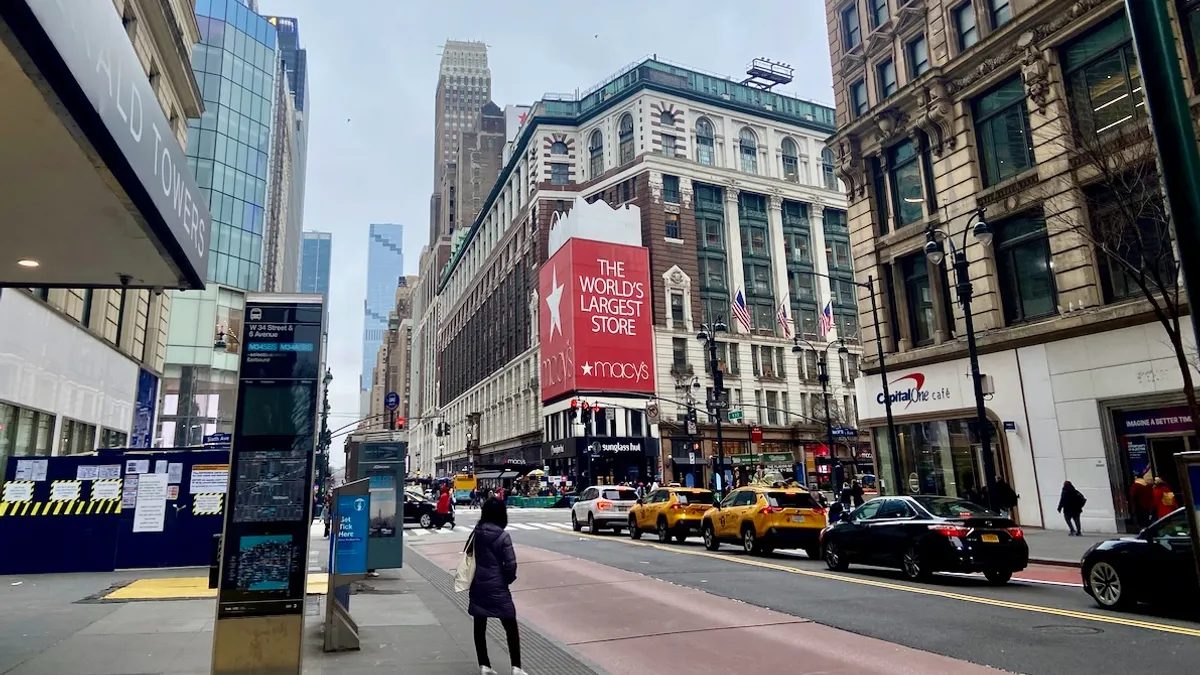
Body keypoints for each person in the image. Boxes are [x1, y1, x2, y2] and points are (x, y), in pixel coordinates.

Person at [469, 498, 527, 675]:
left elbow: (470, 556)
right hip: (498, 585)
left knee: (480, 623)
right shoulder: (502, 536)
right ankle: (516, 667)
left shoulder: (476, 533)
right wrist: (506, 580)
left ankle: (484, 665)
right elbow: (511, 564)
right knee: (510, 624)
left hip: (478, 583)